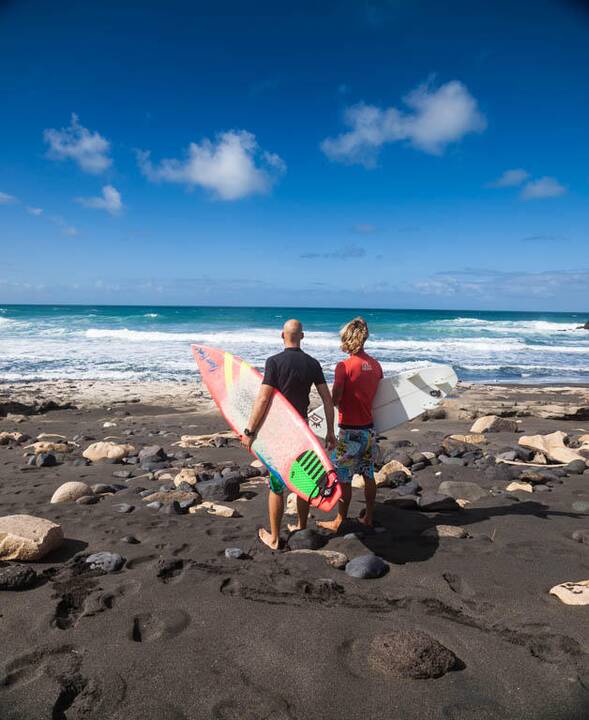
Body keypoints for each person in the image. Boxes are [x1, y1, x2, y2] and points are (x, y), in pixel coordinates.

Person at [241, 319, 336, 549]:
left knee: (277, 484)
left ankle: (274, 537)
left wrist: (250, 431)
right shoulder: (312, 363)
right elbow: (327, 399)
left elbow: (263, 399)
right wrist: (330, 431)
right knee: (303, 481)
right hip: (302, 432)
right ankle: (301, 526)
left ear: (281, 335)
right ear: (302, 337)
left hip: (280, 433)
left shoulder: (274, 362)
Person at [318, 317, 383, 531]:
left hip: (349, 432)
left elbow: (335, 399)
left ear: (348, 338)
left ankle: (339, 521)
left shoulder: (344, 367)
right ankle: (369, 517)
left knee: (343, 478)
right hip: (369, 430)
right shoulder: (376, 365)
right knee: (368, 474)